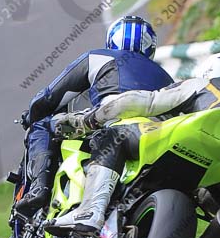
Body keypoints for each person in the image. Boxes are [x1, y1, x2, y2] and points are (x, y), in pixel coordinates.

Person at [48, 50, 220, 238]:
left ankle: (91, 211)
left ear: (210, 72)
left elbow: (144, 102)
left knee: (114, 138)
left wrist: (87, 120)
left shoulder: (207, 85)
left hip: (199, 144)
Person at [17, 15, 173, 215]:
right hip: (155, 134)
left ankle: (39, 189)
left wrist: (31, 115)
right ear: (151, 47)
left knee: (42, 124)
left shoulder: (99, 57)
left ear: (112, 40)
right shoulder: (166, 76)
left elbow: (50, 97)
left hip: (109, 121)